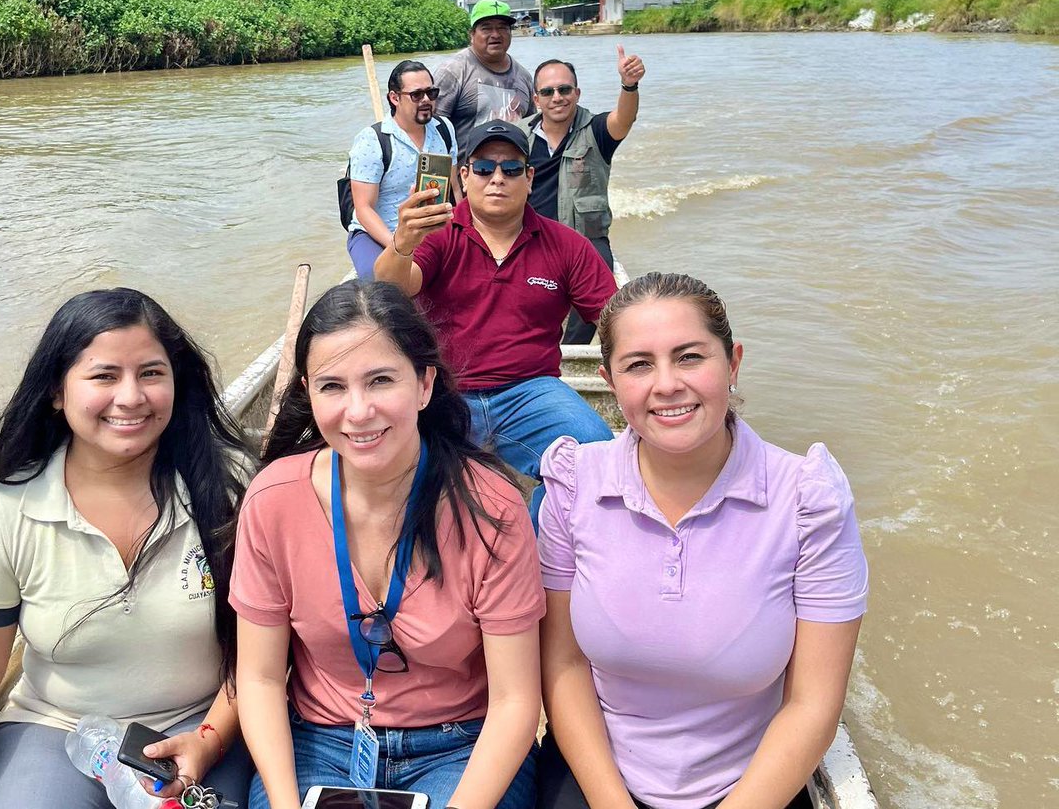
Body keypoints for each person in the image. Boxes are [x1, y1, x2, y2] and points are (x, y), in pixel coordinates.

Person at [0, 289, 258, 809]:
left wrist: (209, 741)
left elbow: (264, 650)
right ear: (57, 391)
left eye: (150, 373)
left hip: (202, 725)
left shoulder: (232, 488)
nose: (130, 397)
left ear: (175, 381)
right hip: (55, 728)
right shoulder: (7, 513)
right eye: (104, 376)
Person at [536, 272, 869, 809]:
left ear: (733, 363)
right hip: (600, 772)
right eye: (639, 365)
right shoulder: (575, 488)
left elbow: (812, 705)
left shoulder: (808, 501)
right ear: (610, 380)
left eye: (690, 356)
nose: (666, 384)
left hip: (752, 784)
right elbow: (565, 665)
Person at [232, 280, 543, 809]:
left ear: (424, 385)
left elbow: (516, 702)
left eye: (380, 380)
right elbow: (259, 679)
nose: (358, 412)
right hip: (319, 739)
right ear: (307, 391)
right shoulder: (273, 501)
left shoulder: (490, 506)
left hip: (460, 746)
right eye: (332, 387)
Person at [373, 120, 617, 520]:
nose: (497, 179)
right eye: (485, 169)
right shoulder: (437, 234)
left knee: (594, 456)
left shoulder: (566, 244)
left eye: (511, 169)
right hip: (444, 391)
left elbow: (615, 320)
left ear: (530, 177)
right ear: (464, 177)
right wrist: (402, 242)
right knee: (402, 483)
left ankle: (542, 560)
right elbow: (393, 289)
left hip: (532, 392)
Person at [515, 46, 647, 344]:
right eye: (547, 92)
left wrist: (629, 85)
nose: (557, 97)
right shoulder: (518, 136)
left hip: (586, 237)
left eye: (564, 89)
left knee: (602, 299)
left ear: (577, 92)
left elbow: (624, 119)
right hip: (532, 236)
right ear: (536, 99)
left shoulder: (596, 130)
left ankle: (569, 352)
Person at [346, 60, 459, 280]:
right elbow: (364, 209)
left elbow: (455, 189)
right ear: (394, 98)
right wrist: (401, 248)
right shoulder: (372, 141)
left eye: (431, 92)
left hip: (430, 231)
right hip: (378, 235)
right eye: (416, 95)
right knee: (383, 288)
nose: (426, 100)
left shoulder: (444, 129)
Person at [434, 0, 536, 165]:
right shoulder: (453, 72)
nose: (495, 34)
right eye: (486, 28)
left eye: (502, 27)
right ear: (472, 34)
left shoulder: (524, 76)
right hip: (466, 180)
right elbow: (432, 133)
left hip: (511, 177)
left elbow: (533, 130)